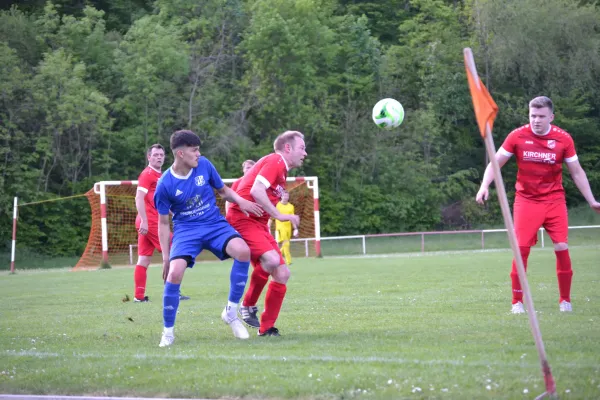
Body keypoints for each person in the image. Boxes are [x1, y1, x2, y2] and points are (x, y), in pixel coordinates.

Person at [475, 96, 600, 314]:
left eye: (541, 116)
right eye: (533, 115)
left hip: (554, 201)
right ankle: (517, 303)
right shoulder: (517, 136)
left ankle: (565, 301)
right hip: (526, 201)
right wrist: (484, 185)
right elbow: (495, 163)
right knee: (521, 249)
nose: (536, 120)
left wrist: (591, 200)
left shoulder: (563, 139)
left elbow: (577, 172)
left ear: (551, 117)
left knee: (561, 247)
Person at [154, 130, 263, 347]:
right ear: (181, 154)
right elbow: (164, 223)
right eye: (194, 150)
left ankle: (231, 312)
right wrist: (166, 258)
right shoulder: (164, 184)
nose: (198, 153)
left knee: (243, 251)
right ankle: (168, 332)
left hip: (214, 224)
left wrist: (242, 202)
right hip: (186, 230)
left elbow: (223, 190)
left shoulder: (204, 165)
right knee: (174, 274)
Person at [227, 130, 306, 336]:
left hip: (258, 224)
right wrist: (279, 215)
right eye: (302, 148)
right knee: (271, 261)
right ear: (287, 148)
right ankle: (247, 305)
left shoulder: (282, 170)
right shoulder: (276, 161)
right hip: (244, 220)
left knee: (283, 273)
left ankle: (267, 328)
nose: (305, 153)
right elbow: (255, 191)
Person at [133, 144, 190, 303]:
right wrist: (144, 220)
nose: (159, 157)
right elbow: (138, 198)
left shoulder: (161, 175)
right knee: (175, 250)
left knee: (143, 259)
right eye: (155, 154)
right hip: (150, 221)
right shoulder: (147, 174)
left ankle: (139, 297)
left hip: (149, 221)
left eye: (161, 154)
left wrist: (177, 213)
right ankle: (173, 292)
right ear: (149, 157)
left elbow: (162, 202)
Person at [273, 191, 298, 265]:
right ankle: (289, 261)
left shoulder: (291, 206)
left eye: (287, 196)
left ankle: (277, 257)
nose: (286, 197)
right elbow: (272, 216)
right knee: (286, 244)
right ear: (281, 196)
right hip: (280, 227)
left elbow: (292, 218)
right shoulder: (277, 205)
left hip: (288, 228)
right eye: (284, 196)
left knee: (286, 244)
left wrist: (295, 228)